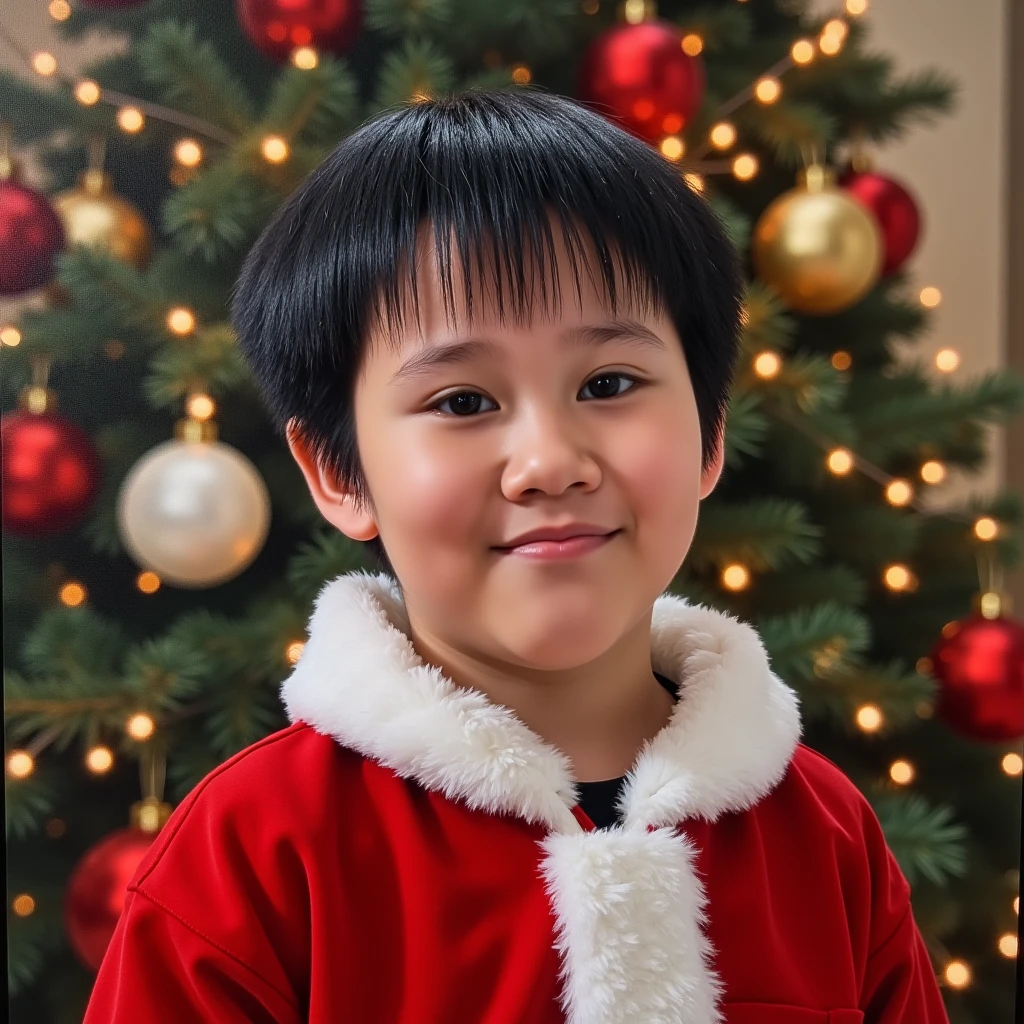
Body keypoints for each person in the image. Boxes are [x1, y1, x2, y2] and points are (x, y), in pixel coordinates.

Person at [84, 88, 950, 1023]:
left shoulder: (826, 836)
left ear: (708, 436)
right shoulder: (250, 852)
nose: (549, 464)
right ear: (338, 470)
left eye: (609, 383)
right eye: (462, 402)